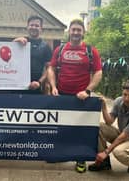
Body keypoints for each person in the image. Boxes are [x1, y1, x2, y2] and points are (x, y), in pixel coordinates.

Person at [47, 19, 102, 173]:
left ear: (83, 32)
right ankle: (58, 154)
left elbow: (98, 73)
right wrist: (53, 87)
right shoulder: (60, 49)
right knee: (59, 126)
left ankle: (80, 158)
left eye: (79, 30)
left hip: (82, 97)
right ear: (69, 32)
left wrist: (88, 91)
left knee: (81, 130)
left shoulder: (91, 51)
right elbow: (51, 68)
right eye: (74, 29)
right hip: (62, 95)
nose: (76, 32)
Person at [88, 79, 129, 173]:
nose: (126, 98)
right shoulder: (119, 101)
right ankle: (104, 163)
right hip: (123, 133)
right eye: (125, 94)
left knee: (118, 152)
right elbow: (109, 122)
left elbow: (124, 136)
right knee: (99, 127)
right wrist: (104, 107)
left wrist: (106, 152)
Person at [13, 15, 52, 94]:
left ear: (41, 29)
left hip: (36, 88)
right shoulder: (19, 42)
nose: (34, 27)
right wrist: (14, 42)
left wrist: (39, 82)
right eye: (31, 25)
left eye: (37, 25)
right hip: (17, 86)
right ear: (27, 27)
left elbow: (49, 68)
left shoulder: (46, 46)